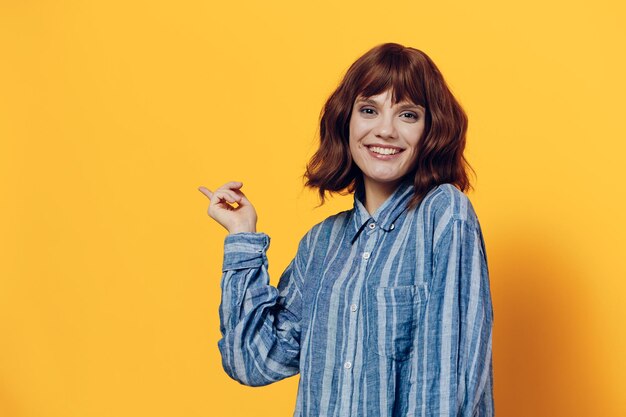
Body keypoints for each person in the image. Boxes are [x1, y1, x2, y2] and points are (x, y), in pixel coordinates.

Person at [198, 42, 495, 417]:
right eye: (369, 110)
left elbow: (450, 383)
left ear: (431, 130)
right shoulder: (321, 244)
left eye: (408, 114)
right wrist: (242, 236)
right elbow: (254, 362)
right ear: (347, 121)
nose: (385, 130)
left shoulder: (444, 216)